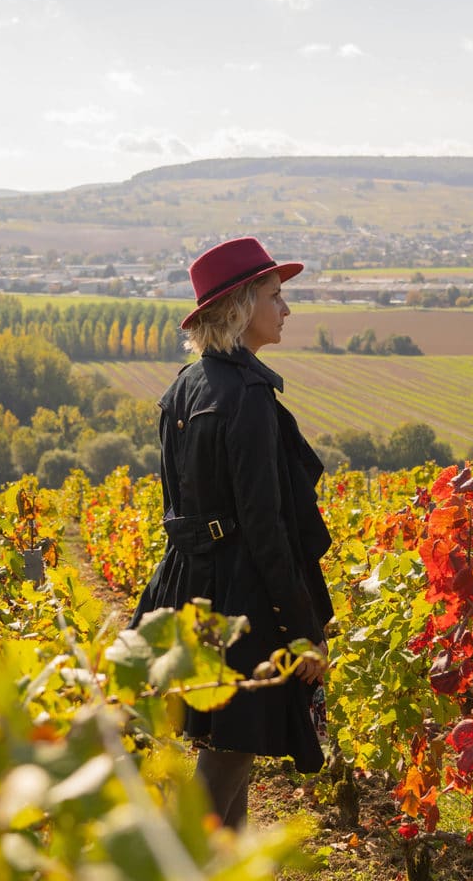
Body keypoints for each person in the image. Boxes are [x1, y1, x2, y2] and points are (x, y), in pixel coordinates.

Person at [131, 236, 334, 829]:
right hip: (238, 595)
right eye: (276, 296)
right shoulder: (246, 397)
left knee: (226, 744)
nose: (286, 309)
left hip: (186, 585)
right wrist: (304, 630)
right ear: (241, 308)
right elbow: (268, 530)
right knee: (229, 752)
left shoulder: (183, 386)